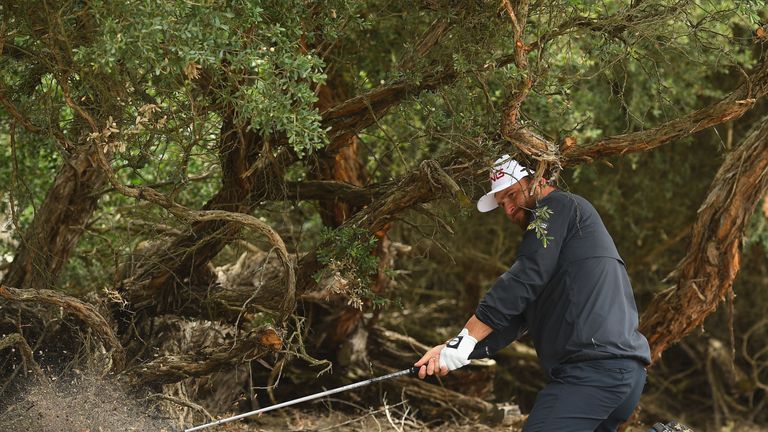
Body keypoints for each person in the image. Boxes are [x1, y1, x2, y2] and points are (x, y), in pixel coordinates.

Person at [415, 155, 651, 432]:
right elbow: (517, 317)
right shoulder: (562, 233)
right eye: (502, 203)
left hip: (594, 372)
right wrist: (454, 350)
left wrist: (467, 336)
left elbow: (524, 276)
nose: (508, 208)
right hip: (619, 374)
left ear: (537, 178)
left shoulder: (560, 207)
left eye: (512, 194)